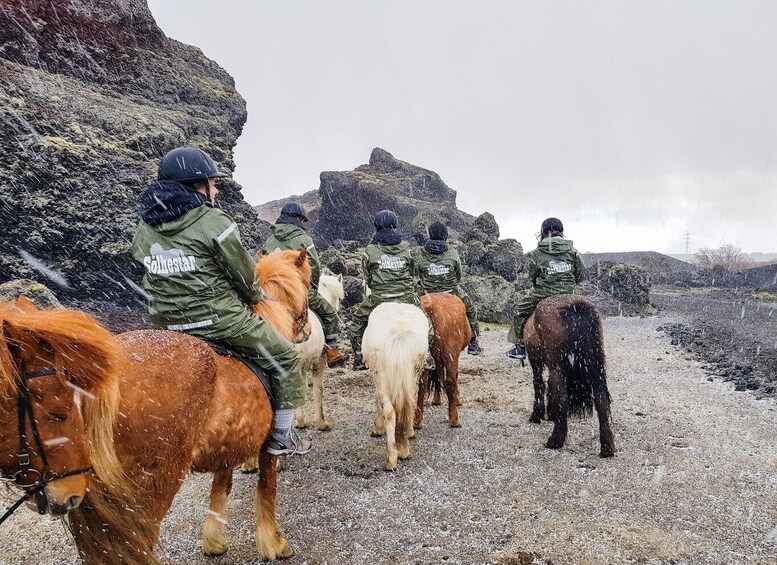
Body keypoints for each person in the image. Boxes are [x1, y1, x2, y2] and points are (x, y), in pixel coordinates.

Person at [131, 146, 310, 456]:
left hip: (165, 325)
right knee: (284, 357)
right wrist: (255, 296)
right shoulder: (212, 220)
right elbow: (244, 276)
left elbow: (146, 273)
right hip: (218, 321)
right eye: (212, 183)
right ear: (196, 186)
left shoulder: (145, 228)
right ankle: (282, 435)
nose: (215, 189)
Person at [260, 202, 346, 368]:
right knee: (328, 313)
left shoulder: (270, 241)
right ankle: (331, 348)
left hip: (272, 293)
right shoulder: (304, 239)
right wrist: (311, 285)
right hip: (297, 289)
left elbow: (263, 264)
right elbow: (314, 265)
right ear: (299, 218)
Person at [348, 210, 436, 371]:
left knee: (356, 324)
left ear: (376, 226)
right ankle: (428, 353)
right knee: (426, 322)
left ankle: (359, 355)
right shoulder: (407, 248)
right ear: (395, 226)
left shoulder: (370, 251)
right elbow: (414, 272)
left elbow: (367, 277)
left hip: (379, 297)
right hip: (406, 296)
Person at [507, 217, 586, 359]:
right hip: (569, 292)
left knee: (519, 311)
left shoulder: (538, 252)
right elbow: (581, 274)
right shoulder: (573, 250)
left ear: (543, 232)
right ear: (561, 232)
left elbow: (532, 275)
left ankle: (519, 346)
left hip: (544, 292)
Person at [414, 221, 482, 355]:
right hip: (450, 289)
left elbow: (416, 273)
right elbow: (459, 275)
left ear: (430, 235)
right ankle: (474, 341)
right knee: (470, 307)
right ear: (445, 235)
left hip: (426, 291)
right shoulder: (452, 252)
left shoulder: (420, 253)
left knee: (410, 307)